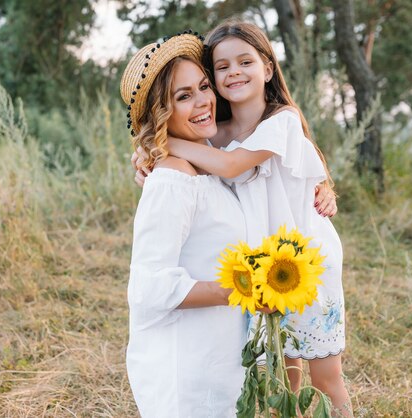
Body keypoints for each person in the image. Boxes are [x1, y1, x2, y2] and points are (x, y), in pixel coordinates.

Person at [147, 21, 352, 417]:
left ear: (268, 68)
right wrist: (145, 156)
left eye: (245, 61)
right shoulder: (214, 134)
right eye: (221, 67)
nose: (234, 72)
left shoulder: (283, 120)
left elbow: (230, 166)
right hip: (262, 273)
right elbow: (188, 167)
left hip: (307, 265)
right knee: (280, 376)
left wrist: (161, 139)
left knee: (326, 375)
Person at [122, 32, 257, 417]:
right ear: (161, 114)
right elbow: (150, 287)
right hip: (185, 370)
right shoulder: (170, 179)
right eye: (184, 96)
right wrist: (243, 289)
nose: (203, 102)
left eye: (203, 86)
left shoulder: (210, 163)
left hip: (218, 356)